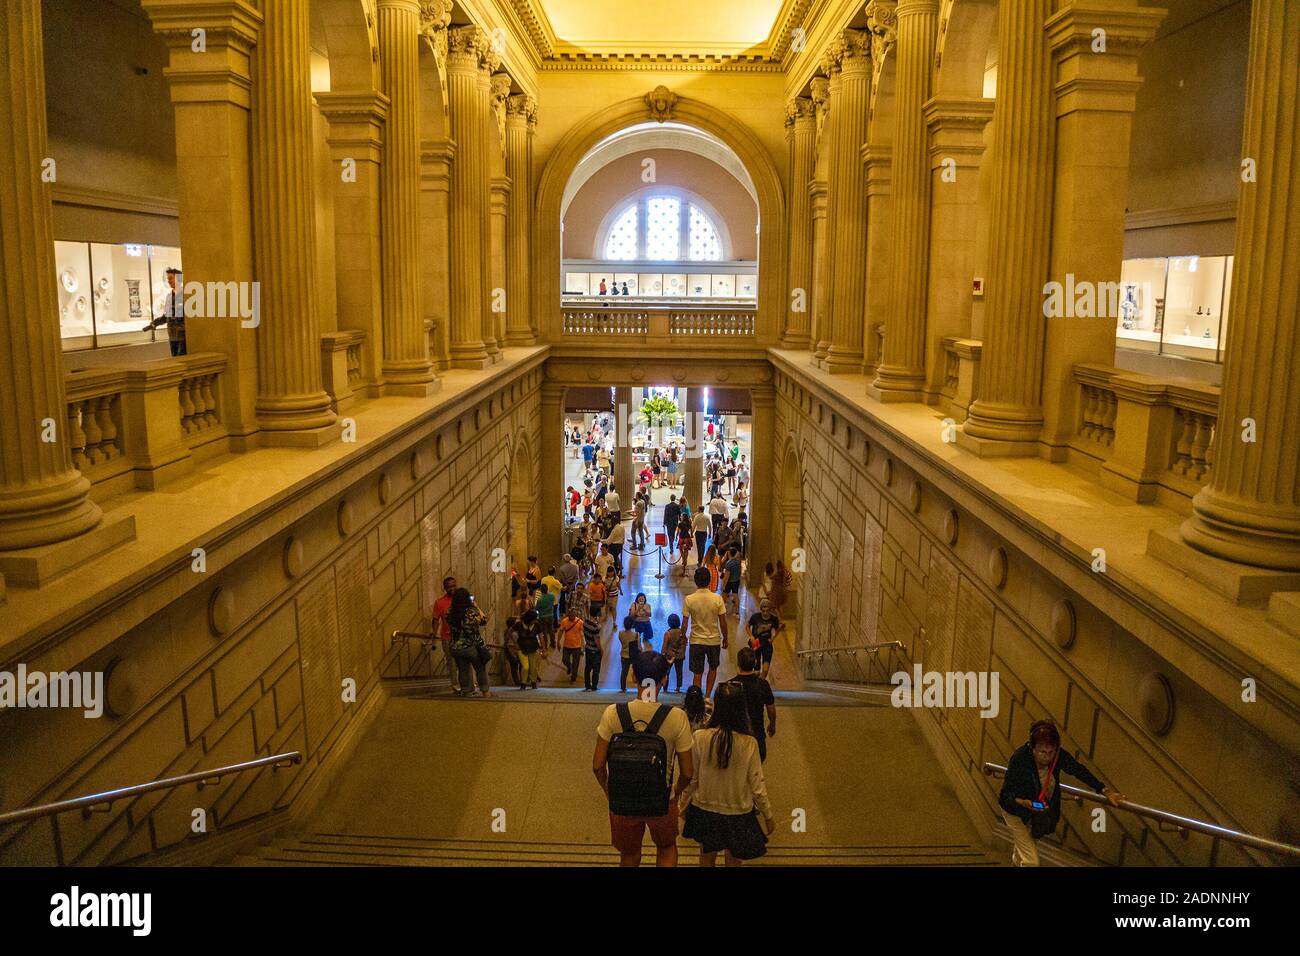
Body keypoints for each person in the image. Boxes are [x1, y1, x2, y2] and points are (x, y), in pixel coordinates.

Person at [998, 720, 1124, 867]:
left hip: (1037, 812)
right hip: (1015, 812)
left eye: (1051, 752)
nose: (1047, 757)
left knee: (1024, 851)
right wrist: (1024, 803)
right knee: (1031, 861)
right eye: (1042, 752)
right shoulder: (1020, 759)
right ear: (1032, 748)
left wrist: (1104, 790)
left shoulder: (1058, 756)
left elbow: (1078, 770)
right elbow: (1005, 796)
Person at [592, 688, 695, 867]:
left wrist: (610, 791)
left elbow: (597, 765)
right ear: (663, 679)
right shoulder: (676, 717)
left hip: (623, 800)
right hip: (662, 801)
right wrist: (676, 793)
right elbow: (688, 772)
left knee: (629, 854)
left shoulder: (612, 713)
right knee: (666, 848)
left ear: (633, 676)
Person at [679, 681, 773, 866]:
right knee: (734, 860)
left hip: (705, 808)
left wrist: (682, 806)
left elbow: (692, 778)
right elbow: (757, 786)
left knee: (706, 857)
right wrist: (768, 815)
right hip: (738, 811)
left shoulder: (700, 738)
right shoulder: (749, 743)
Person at [683, 566, 728, 695]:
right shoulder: (717, 599)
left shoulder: (689, 599)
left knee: (697, 672)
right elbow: (723, 623)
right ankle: (708, 696)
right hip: (713, 640)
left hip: (696, 640)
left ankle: (697, 696)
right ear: (709, 581)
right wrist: (725, 638)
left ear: (696, 581)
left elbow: (685, 623)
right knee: (713, 668)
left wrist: (683, 636)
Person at [728, 647, 776, 762]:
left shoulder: (730, 685)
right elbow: (771, 709)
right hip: (757, 733)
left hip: (736, 735)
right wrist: (772, 724)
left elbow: (724, 711)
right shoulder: (763, 684)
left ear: (738, 663)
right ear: (755, 663)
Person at [447, 588, 491, 697]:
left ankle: (465, 691)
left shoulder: (450, 612)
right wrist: (476, 606)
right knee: (480, 669)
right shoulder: (471, 611)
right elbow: (484, 620)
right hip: (472, 646)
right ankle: (485, 691)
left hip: (456, 647)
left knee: (462, 670)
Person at [142, 267, 187, 356]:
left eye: (171, 278)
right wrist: (155, 323)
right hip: (172, 336)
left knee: (182, 362)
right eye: (168, 279)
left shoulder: (186, 295)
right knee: (175, 361)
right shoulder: (169, 296)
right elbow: (166, 316)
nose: (168, 281)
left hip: (183, 337)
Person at [431, 575, 461, 693]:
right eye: (449, 587)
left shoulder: (461, 599)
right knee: (452, 662)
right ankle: (455, 685)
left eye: (454, 586)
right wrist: (434, 633)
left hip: (462, 637)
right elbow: (435, 619)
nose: (452, 588)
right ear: (445, 588)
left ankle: (469, 683)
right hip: (447, 637)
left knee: (464, 660)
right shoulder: (440, 603)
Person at [746, 598, 783, 679]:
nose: (765, 613)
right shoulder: (755, 617)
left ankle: (761, 683)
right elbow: (747, 626)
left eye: (767, 611)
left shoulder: (773, 619)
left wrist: (773, 638)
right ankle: (756, 684)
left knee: (765, 669)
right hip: (756, 643)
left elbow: (778, 628)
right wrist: (751, 636)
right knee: (756, 670)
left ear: (770, 610)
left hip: (767, 644)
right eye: (763, 611)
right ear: (761, 610)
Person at [661, 613, 686, 693]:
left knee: (666, 672)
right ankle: (678, 688)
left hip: (669, 655)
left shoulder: (668, 633)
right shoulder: (682, 633)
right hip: (680, 655)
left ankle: (665, 688)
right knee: (679, 671)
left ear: (669, 622)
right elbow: (685, 643)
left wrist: (662, 655)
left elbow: (665, 645)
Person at [517, 609, 542, 689]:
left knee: (533, 667)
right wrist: (514, 643)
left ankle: (533, 682)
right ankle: (523, 683)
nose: (535, 620)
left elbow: (541, 636)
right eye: (534, 619)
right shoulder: (519, 625)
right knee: (525, 667)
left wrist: (544, 648)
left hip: (534, 648)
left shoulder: (536, 625)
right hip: (521, 648)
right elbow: (510, 632)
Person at [582, 599, 603, 691]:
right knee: (596, 669)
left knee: (587, 668)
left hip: (587, 647)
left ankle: (587, 685)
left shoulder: (585, 622)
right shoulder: (595, 627)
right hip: (594, 649)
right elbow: (597, 640)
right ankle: (594, 686)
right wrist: (601, 649)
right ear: (597, 613)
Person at [559, 607, 584, 683]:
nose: (572, 617)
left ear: (575, 614)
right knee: (564, 660)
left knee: (576, 664)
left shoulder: (580, 622)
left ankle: (573, 678)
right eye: (570, 615)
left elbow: (583, 635)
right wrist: (558, 642)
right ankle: (569, 667)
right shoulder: (564, 621)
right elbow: (561, 631)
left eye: (573, 615)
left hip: (577, 646)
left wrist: (583, 647)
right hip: (567, 646)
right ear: (568, 614)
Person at [617, 616, 640, 693]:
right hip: (633, 656)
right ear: (632, 624)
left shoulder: (620, 633)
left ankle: (623, 688)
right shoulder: (636, 634)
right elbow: (639, 647)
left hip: (624, 654)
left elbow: (621, 642)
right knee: (637, 671)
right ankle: (639, 686)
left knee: (624, 672)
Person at [502, 617, 524, 689]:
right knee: (517, 666)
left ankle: (518, 681)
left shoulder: (506, 631)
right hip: (513, 651)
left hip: (511, 651)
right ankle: (519, 681)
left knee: (515, 667)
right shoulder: (513, 633)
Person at [720, 547, 743, 616]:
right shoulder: (738, 562)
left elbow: (727, 576)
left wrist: (724, 585)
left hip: (730, 582)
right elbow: (740, 572)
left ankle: (722, 611)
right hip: (736, 581)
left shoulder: (729, 563)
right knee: (735, 595)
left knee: (724, 595)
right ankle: (737, 612)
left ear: (729, 553)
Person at [534, 584, 557, 650]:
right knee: (551, 630)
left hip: (542, 616)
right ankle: (553, 643)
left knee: (544, 631)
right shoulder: (552, 595)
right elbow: (553, 602)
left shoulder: (540, 599)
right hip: (550, 615)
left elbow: (537, 608)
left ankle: (545, 645)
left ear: (541, 590)